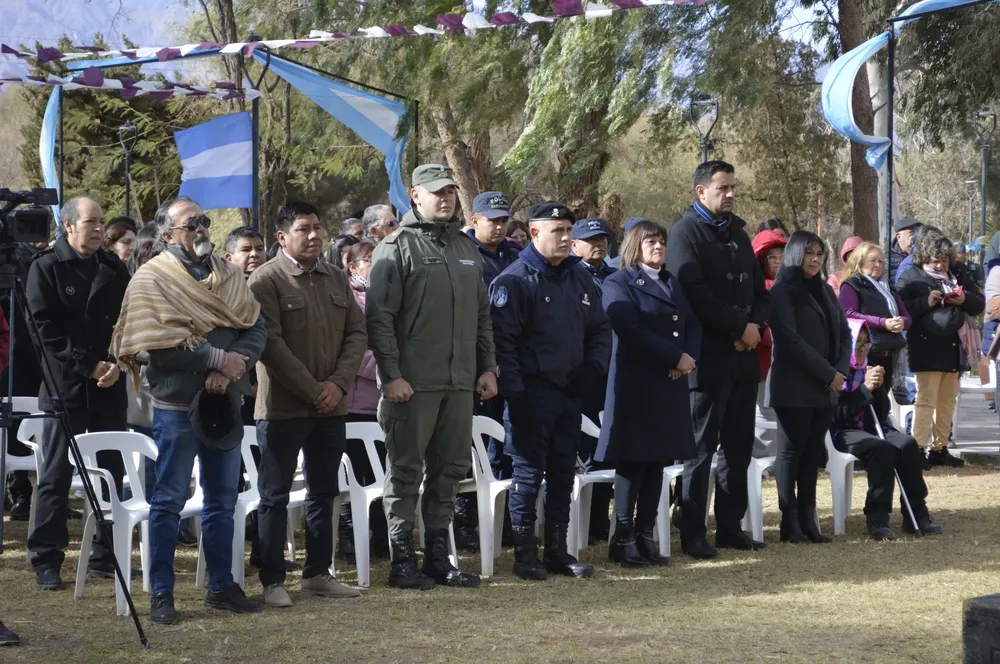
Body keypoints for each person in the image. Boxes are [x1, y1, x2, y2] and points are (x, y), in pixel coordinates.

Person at [110, 196, 267, 623]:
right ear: (166, 234)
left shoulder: (229, 275)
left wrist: (236, 365)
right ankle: (162, 593)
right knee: (168, 501)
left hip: (224, 401)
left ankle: (221, 586)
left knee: (222, 500)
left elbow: (256, 327)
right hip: (177, 408)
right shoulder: (152, 279)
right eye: (190, 223)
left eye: (204, 220)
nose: (201, 228)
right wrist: (216, 360)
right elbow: (156, 344)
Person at [366, 164, 497, 590]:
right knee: (406, 470)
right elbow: (379, 319)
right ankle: (402, 559)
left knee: (450, 469)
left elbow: (481, 315)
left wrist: (488, 367)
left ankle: (439, 557)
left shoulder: (465, 247)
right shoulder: (396, 247)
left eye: (450, 192)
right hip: (413, 384)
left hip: (459, 382)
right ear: (415, 196)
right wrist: (391, 375)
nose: (446, 198)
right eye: (436, 192)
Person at [248, 201, 366, 608]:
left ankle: (318, 573)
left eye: (318, 227)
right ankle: (272, 579)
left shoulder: (335, 277)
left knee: (324, 491)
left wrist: (337, 385)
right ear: (282, 237)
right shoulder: (266, 280)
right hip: (283, 408)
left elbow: (356, 334)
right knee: (274, 495)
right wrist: (314, 389)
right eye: (304, 229)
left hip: (331, 407)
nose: (314, 235)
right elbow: (270, 345)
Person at [490, 201, 612, 581]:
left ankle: (557, 551)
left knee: (562, 474)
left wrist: (593, 369)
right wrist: (516, 395)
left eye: (568, 230)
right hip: (531, 395)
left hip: (569, 393)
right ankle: (525, 554)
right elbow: (502, 345)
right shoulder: (514, 280)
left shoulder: (579, 277)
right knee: (527, 476)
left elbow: (600, 329)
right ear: (534, 233)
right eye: (557, 230)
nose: (565, 237)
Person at [665, 160, 770, 558]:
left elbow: (760, 292)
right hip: (708, 361)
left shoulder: (738, 234)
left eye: (732, 188)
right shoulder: (684, 233)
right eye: (722, 188)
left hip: (744, 359)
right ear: (701, 191)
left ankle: (730, 526)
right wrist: (738, 328)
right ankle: (693, 530)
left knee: (738, 448)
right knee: (700, 449)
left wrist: (755, 326)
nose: (730, 194)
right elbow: (694, 295)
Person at [25, 195, 130, 589]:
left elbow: (128, 321)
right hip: (64, 386)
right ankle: (46, 558)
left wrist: (117, 363)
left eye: (102, 221)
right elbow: (43, 329)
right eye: (91, 222)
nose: (100, 229)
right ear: (68, 225)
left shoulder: (113, 266)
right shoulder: (46, 267)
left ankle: (106, 554)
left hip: (109, 385)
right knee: (55, 474)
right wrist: (88, 364)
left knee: (111, 472)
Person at [597, 220, 699, 567]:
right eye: (650, 242)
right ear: (634, 246)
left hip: (670, 382)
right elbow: (630, 328)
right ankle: (622, 538)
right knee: (633, 461)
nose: (658, 247)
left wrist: (687, 358)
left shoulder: (672, 282)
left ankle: (645, 535)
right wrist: (673, 357)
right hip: (636, 384)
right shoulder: (618, 282)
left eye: (661, 241)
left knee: (657, 460)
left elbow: (692, 323)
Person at [767, 231, 851, 543]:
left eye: (819, 254)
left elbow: (844, 333)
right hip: (794, 385)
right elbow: (789, 341)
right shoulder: (782, 291)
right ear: (795, 254)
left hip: (825, 387)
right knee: (791, 453)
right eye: (809, 253)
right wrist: (828, 373)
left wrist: (839, 370)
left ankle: (808, 519)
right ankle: (789, 522)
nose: (815, 260)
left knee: (812, 454)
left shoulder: (825, 290)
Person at [831, 320, 943, 539]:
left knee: (907, 444)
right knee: (880, 448)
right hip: (841, 430)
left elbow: (882, 413)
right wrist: (864, 389)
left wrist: (878, 388)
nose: (862, 349)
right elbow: (837, 415)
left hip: (872, 427)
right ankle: (877, 518)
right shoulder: (836, 372)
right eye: (857, 343)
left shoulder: (869, 368)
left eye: (866, 343)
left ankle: (916, 514)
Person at [457, 191, 521, 550]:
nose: (498, 226)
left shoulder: (516, 255)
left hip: (510, 363)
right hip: (473, 365)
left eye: (503, 220)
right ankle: (467, 522)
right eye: (491, 220)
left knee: (506, 445)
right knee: (470, 448)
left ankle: (503, 521)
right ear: (474, 220)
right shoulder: (461, 253)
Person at [897, 228, 984, 468]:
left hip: (954, 350)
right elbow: (901, 309)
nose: (940, 266)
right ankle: (917, 449)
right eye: (936, 261)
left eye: (944, 261)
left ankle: (940, 448)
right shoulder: (911, 277)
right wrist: (926, 302)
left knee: (947, 402)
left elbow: (979, 303)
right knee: (926, 401)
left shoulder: (958, 274)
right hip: (925, 349)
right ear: (924, 257)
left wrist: (963, 299)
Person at [339, 241, 389, 560]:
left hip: (385, 404)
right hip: (356, 404)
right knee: (354, 475)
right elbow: (349, 351)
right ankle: (349, 537)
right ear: (353, 266)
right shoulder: (347, 298)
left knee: (383, 472)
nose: (378, 263)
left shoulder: (389, 294)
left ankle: (381, 538)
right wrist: (388, 370)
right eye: (370, 259)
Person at [2, 243, 44, 522]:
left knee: (29, 422)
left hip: (31, 351)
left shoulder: (28, 255)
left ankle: (26, 492)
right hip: (6, 351)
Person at [839, 242, 911, 392]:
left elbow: (906, 317)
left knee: (882, 399)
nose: (878, 265)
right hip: (865, 354)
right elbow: (847, 313)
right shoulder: (852, 285)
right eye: (872, 260)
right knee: (865, 397)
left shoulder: (887, 288)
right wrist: (883, 323)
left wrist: (901, 323)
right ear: (860, 261)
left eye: (881, 261)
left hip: (888, 352)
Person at [572, 218, 616, 286]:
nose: (600, 243)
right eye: (592, 239)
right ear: (574, 246)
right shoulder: (567, 277)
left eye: (602, 238)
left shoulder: (615, 275)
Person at [889, 217, 921, 290]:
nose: (916, 237)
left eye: (918, 232)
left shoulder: (922, 253)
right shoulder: (887, 259)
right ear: (899, 237)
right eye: (912, 233)